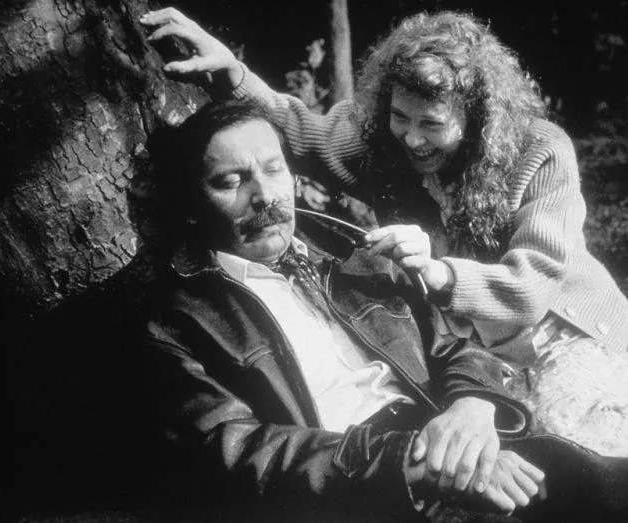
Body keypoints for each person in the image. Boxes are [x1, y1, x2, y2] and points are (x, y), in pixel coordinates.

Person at [134, 97, 628, 522]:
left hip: (456, 437)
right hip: (359, 489)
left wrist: (473, 408)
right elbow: (230, 451)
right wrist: (410, 462)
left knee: (599, 485)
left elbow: (455, 346)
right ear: (193, 205)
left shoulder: (352, 257)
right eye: (230, 181)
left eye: (273, 168)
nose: (263, 195)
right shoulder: (177, 317)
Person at [139, 7, 628, 365]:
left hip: (569, 334)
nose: (412, 139)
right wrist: (233, 74)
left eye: (432, 123)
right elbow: (305, 135)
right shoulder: (386, 149)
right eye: (399, 116)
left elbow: (531, 289)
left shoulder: (540, 150)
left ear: (476, 117)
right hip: (476, 353)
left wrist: (436, 273)